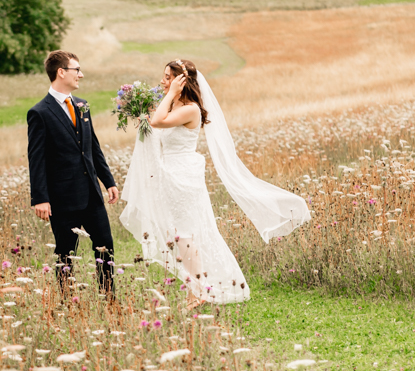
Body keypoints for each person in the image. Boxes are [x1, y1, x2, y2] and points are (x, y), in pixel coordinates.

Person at [120, 59, 311, 310]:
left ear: (181, 81)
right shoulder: (173, 106)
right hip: (169, 177)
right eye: (164, 77)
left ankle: (199, 290)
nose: (162, 82)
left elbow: (157, 122)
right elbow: (156, 130)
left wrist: (168, 97)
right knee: (177, 235)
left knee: (184, 234)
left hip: (184, 178)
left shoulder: (191, 109)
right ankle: (195, 288)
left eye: (168, 77)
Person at [27, 50, 120, 297]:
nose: (81, 74)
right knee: (65, 253)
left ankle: (109, 297)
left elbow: (93, 147)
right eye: (76, 69)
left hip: (91, 193)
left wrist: (108, 181)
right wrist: (40, 198)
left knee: (105, 248)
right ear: (61, 72)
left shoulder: (82, 105)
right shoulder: (40, 112)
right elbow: (36, 159)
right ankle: (68, 303)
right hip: (62, 198)